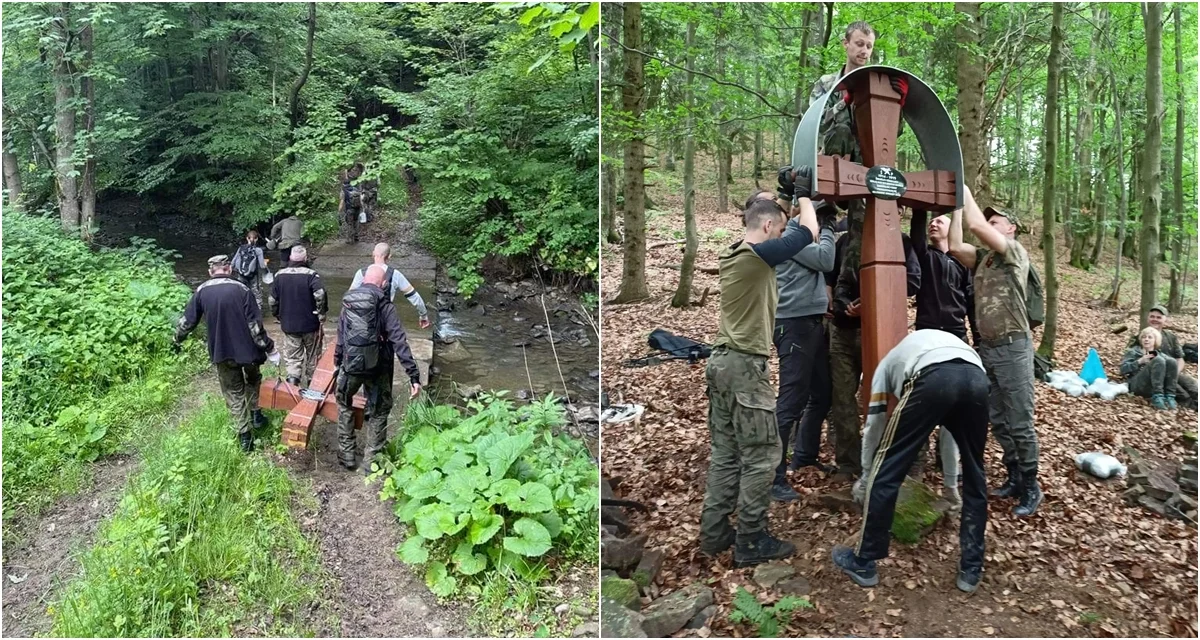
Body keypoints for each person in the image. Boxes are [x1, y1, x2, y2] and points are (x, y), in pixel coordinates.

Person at [699, 190, 819, 568]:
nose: (782, 236)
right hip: (743, 369)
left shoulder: (735, 253)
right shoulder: (755, 256)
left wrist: (784, 197)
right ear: (768, 227)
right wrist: (805, 200)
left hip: (722, 364)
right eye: (779, 229)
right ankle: (751, 539)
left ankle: (715, 533)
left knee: (726, 454)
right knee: (763, 455)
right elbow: (809, 234)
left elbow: (780, 229)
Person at [831, 330, 989, 594]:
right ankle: (971, 569)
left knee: (887, 467)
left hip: (933, 377)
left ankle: (864, 561)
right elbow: (949, 435)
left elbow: (874, 426)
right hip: (977, 378)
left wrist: (867, 474)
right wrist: (951, 487)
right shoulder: (932, 345)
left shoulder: (885, 366)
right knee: (975, 473)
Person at [949, 186, 1042, 516]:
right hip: (987, 348)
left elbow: (976, 227)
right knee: (1000, 420)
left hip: (1014, 347)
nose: (989, 221)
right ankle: (1015, 476)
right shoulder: (985, 259)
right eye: (988, 218)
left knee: (1020, 421)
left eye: (996, 220)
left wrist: (964, 189)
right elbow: (954, 245)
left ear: (1010, 227)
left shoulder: (1014, 252)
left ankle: (1031, 485)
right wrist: (956, 204)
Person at [823, 218, 922, 483]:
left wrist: (874, 299)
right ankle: (848, 463)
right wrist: (835, 303)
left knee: (890, 395)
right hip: (843, 331)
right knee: (843, 399)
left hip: (883, 331)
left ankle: (896, 460)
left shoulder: (901, 242)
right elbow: (830, 278)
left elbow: (912, 282)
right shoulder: (846, 242)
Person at [770, 181, 838, 502]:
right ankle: (773, 476)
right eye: (820, 213)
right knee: (790, 401)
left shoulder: (798, 236)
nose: (824, 221)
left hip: (811, 324)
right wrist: (826, 230)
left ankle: (805, 455)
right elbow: (825, 259)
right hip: (793, 324)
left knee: (822, 394)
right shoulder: (790, 238)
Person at [174, 255, 279, 452]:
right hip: (248, 351)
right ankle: (257, 414)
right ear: (229, 269)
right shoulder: (243, 289)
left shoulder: (201, 292)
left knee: (233, 391)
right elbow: (255, 327)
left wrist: (176, 340)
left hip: (222, 352)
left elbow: (187, 323)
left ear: (210, 271)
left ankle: (245, 437)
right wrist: (269, 347)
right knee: (254, 379)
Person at [334, 265, 422, 474]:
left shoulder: (348, 301)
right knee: (380, 410)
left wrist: (338, 362)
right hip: (379, 366)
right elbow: (399, 340)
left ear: (363, 280)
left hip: (350, 365)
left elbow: (341, 336)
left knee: (343, 402)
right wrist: (413, 375)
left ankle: (347, 454)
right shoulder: (385, 305)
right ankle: (371, 461)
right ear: (384, 284)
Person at [270, 246, 329, 388]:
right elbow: (320, 294)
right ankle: (313, 389)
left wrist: (277, 314)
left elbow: (272, 300)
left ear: (290, 258)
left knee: (292, 359)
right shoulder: (312, 275)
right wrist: (321, 313)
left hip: (289, 325)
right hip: (310, 324)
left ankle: (293, 390)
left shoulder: (279, 276)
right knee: (313, 357)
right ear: (305, 258)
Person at [350, 242, 432, 329]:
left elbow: (350, 296)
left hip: (363, 318)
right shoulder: (395, 274)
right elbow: (414, 296)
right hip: (385, 318)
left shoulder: (361, 273)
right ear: (389, 256)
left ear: (373, 254)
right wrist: (423, 315)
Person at [1131, 304, 1198, 409]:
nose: (1155, 319)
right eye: (1152, 316)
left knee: (1192, 386)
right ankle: (1190, 406)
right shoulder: (1141, 337)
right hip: (1153, 375)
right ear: (1148, 318)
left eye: (1158, 317)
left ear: (1165, 319)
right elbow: (1133, 363)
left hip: (1172, 371)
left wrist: (1175, 373)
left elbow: (1180, 358)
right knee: (1183, 394)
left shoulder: (1171, 337)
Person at [1121, 327, 1180, 410]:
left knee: (1172, 361)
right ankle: (1157, 397)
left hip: (1153, 385)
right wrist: (1139, 361)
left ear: (1155, 340)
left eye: (1150, 337)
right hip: (1136, 384)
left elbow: (1171, 367)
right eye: (1144, 337)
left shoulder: (1159, 354)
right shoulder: (1133, 352)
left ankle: (1170, 396)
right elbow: (1123, 370)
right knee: (1158, 360)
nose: (1146, 339)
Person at [232, 229, 269, 310]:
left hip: (241, 275)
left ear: (247, 238)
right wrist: (265, 264)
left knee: (242, 293)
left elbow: (233, 262)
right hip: (254, 276)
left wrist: (234, 271)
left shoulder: (241, 248)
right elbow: (262, 266)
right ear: (256, 239)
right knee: (256, 294)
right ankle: (257, 314)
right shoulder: (258, 250)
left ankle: (243, 311)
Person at [340, 163, 365, 244]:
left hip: (349, 207)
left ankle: (350, 239)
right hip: (357, 206)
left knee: (349, 223)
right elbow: (361, 196)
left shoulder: (345, 187)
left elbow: (342, 200)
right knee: (356, 221)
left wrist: (339, 211)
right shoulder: (358, 184)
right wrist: (363, 208)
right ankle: (356, 237)